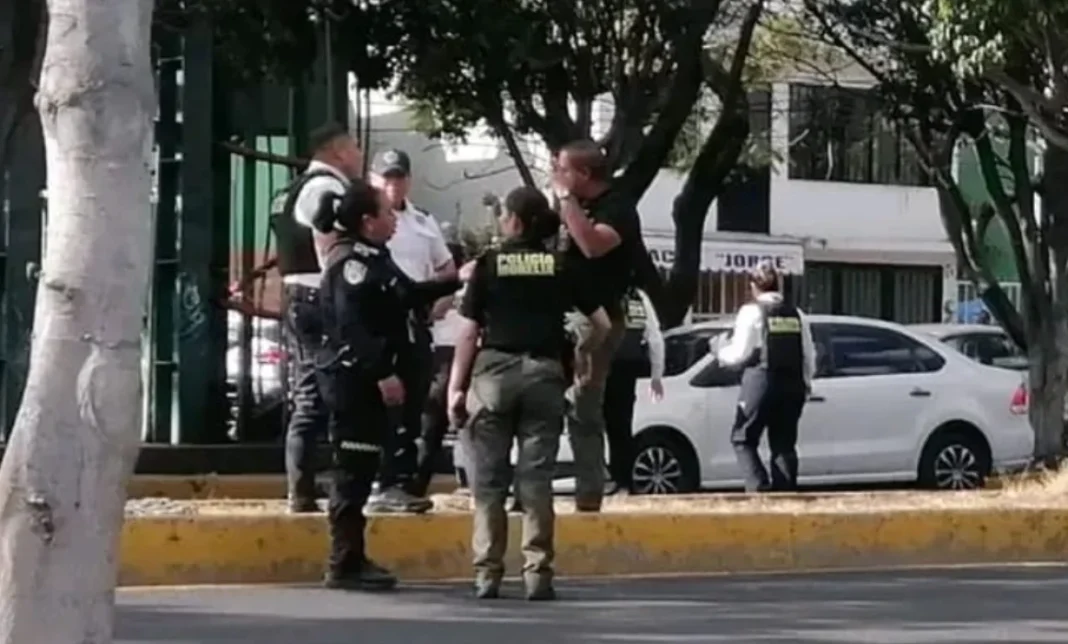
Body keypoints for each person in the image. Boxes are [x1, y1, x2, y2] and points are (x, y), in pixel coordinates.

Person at [447, 186, 610, 600]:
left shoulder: (488, 264)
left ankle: (488, 574)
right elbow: (602, 325)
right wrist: (580, 354)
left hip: (493, 378)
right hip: (544, 376)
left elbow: (468, 332)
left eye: (503, 215)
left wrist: (455, 388)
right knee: (535, 482)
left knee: (489, 481)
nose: (501, 221)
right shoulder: (560, 266)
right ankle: (538, 574)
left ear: (515, 221)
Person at [313, 177, 460, 590]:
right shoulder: (351, 264)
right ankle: (344, 561)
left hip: (368, 381)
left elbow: (406, 295)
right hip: (354, 382)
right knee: (353, 470)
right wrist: (382, 373)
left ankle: (352, 558)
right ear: (366, 221)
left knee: (362, 466)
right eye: (386, 213)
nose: (394, 219)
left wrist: (458, 278)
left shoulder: (376, 257)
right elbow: (352, 328)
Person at [552, 139, 653, 512]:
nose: (556, 177)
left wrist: (565, 200)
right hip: (563, 313)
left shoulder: (617, 208)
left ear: (583, 173)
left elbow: (593, 245)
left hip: (599, 318)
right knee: (545, 398)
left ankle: (590, 490)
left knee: (584, 404)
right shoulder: (577, 206)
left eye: (563, 169)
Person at [271, 122, 363, 513]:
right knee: (318, 395)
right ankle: (304, 489)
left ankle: (304, 485)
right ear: (339, 151)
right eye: (355, 148)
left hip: (298, 294)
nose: (360, 155)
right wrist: (341, 290)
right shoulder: (326, 187)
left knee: (310, 390)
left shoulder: (291, 188)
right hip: (317, 298)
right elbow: (329, 242)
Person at [366, 148, 457, 514]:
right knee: (379, 407)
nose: (393, 184)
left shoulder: (422, 221)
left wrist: (434, 308)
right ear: (373, 180)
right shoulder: (364, 218)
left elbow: (447, 270)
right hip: (376, 324)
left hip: (413, 326)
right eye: (386, 177)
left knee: (414, 410)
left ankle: (400, 483)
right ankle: (378, 481)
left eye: (399, 177)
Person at [714, 260, 816, 493]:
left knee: (742, 439)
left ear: (753, 286)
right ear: (778, 285)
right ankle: (785, 499)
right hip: (793, 385)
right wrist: (807, 383)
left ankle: (759, 493)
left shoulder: (751, 312)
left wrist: (719, 351)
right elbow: (809, 354)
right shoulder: (797, 314)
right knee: (784, 445)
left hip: (762, 381)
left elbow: (740, 353)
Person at [410, 241, 467, 497]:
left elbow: (433, 314)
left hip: (443, 353)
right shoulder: (470, 286)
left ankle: (417, 484)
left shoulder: (447, 288)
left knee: (431, 428)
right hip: (465, 355)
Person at [601, 287, 665, 493]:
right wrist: (656, 376)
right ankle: (623, 482)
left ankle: (606, 479)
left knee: (591, 428)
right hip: (627, 370)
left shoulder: (600, 289)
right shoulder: (639, 296)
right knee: (621, 429)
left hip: (603, 366)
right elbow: (655, 338)